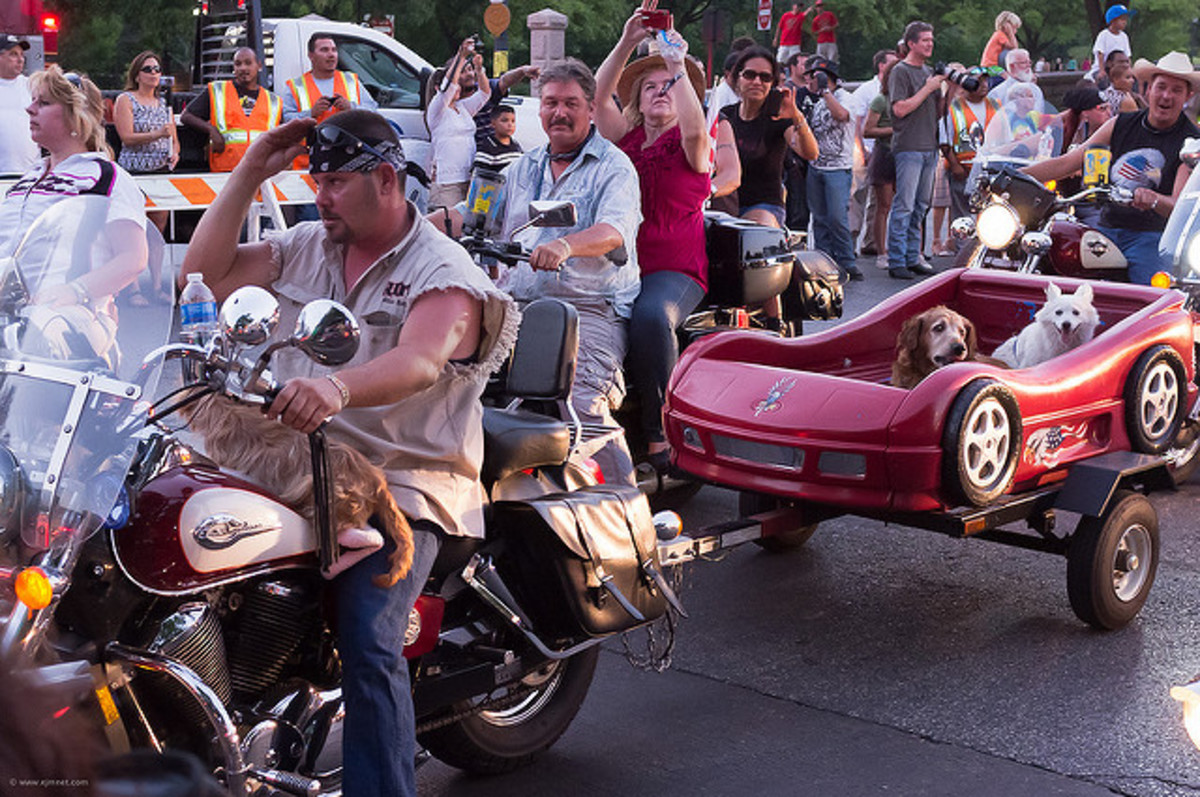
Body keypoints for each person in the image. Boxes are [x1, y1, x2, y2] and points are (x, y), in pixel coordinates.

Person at [180, 108, 518, 797]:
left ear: (386, 180)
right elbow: (202, 277)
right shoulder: (308, 243)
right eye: (317, 180)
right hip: (295, 462)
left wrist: (334, 388)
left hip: (405, 481)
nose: (321, 196)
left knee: (368, 636)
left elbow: (420, 360)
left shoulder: (443, 270)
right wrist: (250, 170)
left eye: (334, 182)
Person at [437, 59, 643, 487]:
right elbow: (472, 212)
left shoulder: (615, 166)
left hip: (587, 306)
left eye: (570, 103)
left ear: (591, 108)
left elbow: (613, 230)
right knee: (448, 377)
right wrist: (411, 227)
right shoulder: (522, 167)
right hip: (518, 302)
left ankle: (625, 507)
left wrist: (565, 245)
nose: (559, 113)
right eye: (550, 103)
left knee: (582, 406)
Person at [594, 10, 711, 475]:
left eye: (670, 86)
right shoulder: (625, 139)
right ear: (637, 101)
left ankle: (661, 431)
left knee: (650, 316)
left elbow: (697, 130)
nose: (661, 91)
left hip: (675, 270)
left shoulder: (691, 142)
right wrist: (626, 40)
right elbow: (597, 97)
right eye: (650, 87)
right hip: (620, 265)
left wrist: (676, 63)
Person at [0, 66, 147, 361]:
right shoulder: (27, 178)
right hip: (9, 323)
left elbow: (133, 258)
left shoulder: (106, 176)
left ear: (77, 118)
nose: (29, 109)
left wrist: (75, 291)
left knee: (41, 330)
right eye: (33, 101)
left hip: (67, 327)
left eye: (44, 103)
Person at [1024, 52, 1200, 284]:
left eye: (1176, 90)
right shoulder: (1120, 124)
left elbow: (1179, 204)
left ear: (1188, 95)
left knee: (1151, 296)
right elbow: (1068, 162)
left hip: (1152, 237)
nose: (1167, 95)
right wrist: (1013, 174)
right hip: (1104, 229)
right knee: (1056, 265)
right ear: (1148, 89)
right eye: (1161, 87)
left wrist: (1154, 199)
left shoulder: (1191, 142)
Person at [720, 46, 818, 228]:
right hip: (725, 205)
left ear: (772, 83)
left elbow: (811, 153)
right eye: (750, 75)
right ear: (737, 78)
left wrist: (796, 116)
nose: (757, 82)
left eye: (765, 77)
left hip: (764, 207)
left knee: (754, 230)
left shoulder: (778, 119)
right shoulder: (725, 115)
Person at [113, 50, 177, 307]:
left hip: (160, 171)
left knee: (157, 231)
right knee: (135, 229)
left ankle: (157, 285)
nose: (154, 73)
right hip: (135, 172)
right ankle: (134, 287)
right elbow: (126, 137)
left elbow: (173, 138)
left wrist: (175, 153)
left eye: (157, 69)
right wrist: (157, 134)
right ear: (137, 74)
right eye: (148, 69)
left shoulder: (164, 104)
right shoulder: (126, 100)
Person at [886, 21, 943, 280]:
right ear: (911, 44)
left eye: (931, 39)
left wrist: (949, 90)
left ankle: (912, 256)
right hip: (909, 146)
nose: (930, 44)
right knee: (904, 206)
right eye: (925, 40)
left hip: (930, 145)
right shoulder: (901, 71)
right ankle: (896, 260)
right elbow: (899, 109)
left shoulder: (929, 72)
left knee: (921, 207)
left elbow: (937, 113)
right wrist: (928, 88)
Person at [181, 47, 282, 172]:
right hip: (225, 171)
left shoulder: (273, 101)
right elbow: (186, 116)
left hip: (260, 172)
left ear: (259, 66)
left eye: (248, 63)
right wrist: (211, 130)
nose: (243, 68)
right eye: (238, 64)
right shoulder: (218, 91)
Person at [804, 56, 860, 280]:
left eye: (814, 77)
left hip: (838, 168)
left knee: (837, 218)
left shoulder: (845, 98)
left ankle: (847, 262)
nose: (810, 81)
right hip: (816, 166)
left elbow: (841, 115)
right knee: (819, 218)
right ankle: (823, 261)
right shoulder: (817, 102)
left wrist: (825, 91)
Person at [426, 38, 491, 209]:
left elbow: (484, 93)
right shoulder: (437, 110)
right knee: (448, 222)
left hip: (468, 178)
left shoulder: (463, 108)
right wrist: (461, 56)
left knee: (467, 222)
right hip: (448, 183)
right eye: (455, 85)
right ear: (437, 88)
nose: (457, 88)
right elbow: (448, 86)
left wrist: (479, 69)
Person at [941, 66, 997, 244]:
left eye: (986, 80)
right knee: (963, 215)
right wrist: (954, 165)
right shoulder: (953, 108)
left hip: (991, 168)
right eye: (979, 81)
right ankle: (963, 249)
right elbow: (944, 140)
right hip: (963, 169)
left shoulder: (996, 105)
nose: (984, 85)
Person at [864, 56, 898, 270]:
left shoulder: (908, 99)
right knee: (883, 206)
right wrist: (893, 130)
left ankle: (907, 250)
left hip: (905, 154)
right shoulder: (881, 100)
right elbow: (867, 130)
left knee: (906, 205)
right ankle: (881, 252)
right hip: (884, 153)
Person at [0, 34, 37, 175]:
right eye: (13, 54)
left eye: (22, 55)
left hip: (29, 175)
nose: (20, 59)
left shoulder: (32, 87)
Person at [471, 104, 523, 173]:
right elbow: (479, 175)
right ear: (493, 124)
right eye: (504, 121)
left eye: (513, 121)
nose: (510, 125)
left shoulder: (516, 146)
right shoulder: (487, 148)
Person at [1091, 4, 1134, 85]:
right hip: (1103, 68)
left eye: (1126, 19)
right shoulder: (1104, 35)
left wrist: (1129, 69)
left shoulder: (1124, 36)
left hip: (1120, 70)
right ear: (1113, 20)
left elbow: (1127, 56)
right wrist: (1102, 70)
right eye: (1122, 19)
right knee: (1104, 82)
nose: (1125, 22)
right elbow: (1100, 53)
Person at [810, 0, 839, 64]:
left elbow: (836, 24)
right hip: (821, 42)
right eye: (818, 6)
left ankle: (831, 69)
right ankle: (822, 69)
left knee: (832, 59)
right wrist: (821, 30)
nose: (820, 8)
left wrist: (830, 28)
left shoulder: (829, 14)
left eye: (821, 6)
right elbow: (814, 32)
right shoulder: (815, 20)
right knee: (821, 60)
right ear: (816, 8)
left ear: (823, 6)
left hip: (831, 41)